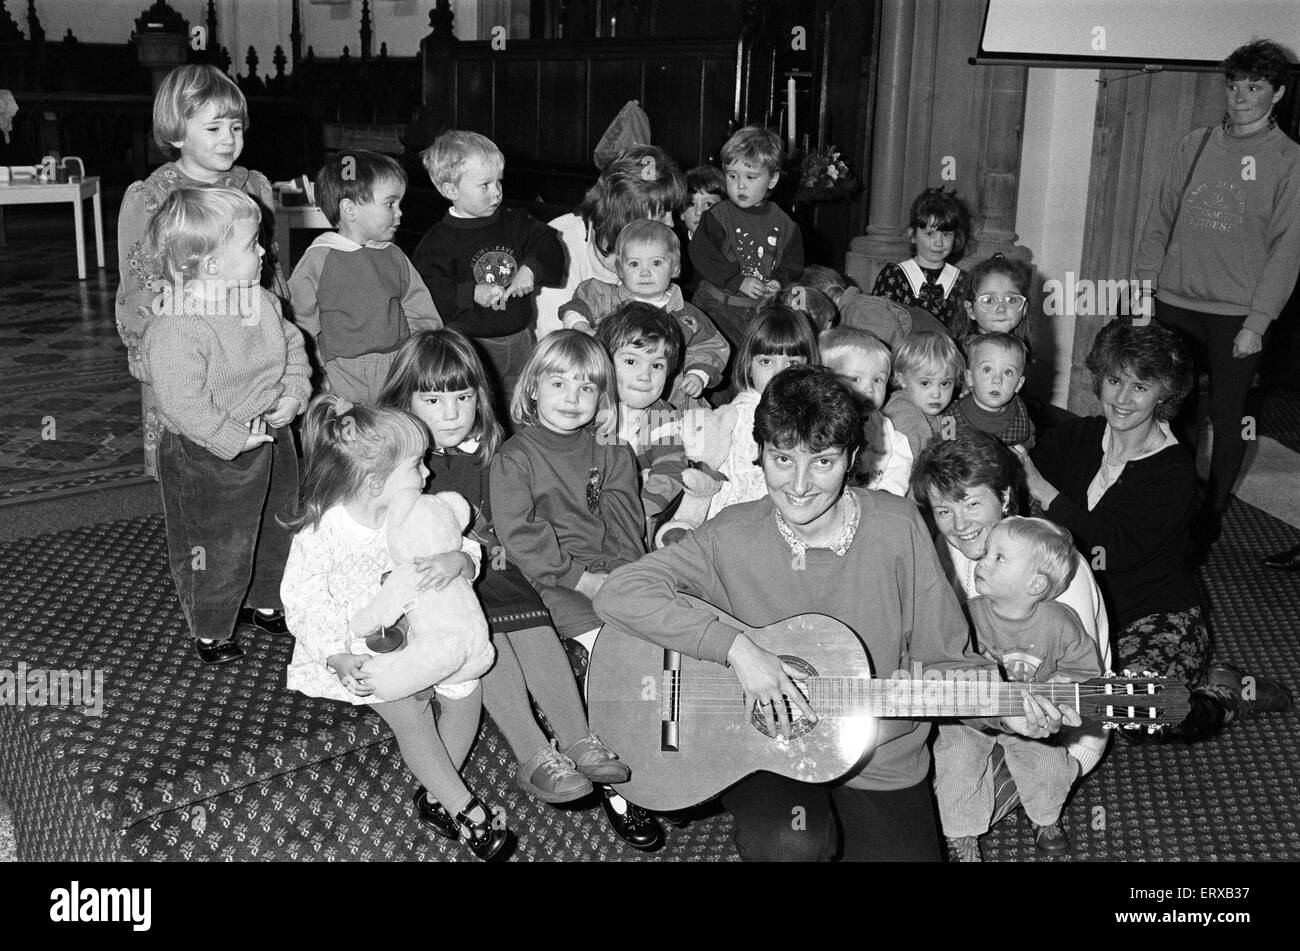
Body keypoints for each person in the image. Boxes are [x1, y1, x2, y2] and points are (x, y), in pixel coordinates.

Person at [594, 365, 1077, 862]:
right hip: (768, 757)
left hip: (880, 754)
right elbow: (621, 592)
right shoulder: (731, 532)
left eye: (822, 461)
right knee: (792, 841)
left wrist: (1007, 711)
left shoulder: (897, 527)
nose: (800, 485)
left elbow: (943, 658)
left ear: (851, 458)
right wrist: (738, 649)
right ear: (758, 454)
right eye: (782, 459)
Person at [378, 329, 633, 812]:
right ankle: (535, 754)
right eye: (433, 399)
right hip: (435, 587)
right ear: (402, 401)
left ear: (481, 396)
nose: (451, 413)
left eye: (463, 396)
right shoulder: (401, 464)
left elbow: (521, 520)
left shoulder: (494, 450)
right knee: (485, 639)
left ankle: (579, 741)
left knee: (533, 623)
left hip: (495, 568)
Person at [1019, 319, 1292, 739]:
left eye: (1140, 387)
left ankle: (1227, 694)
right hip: (1078, 611)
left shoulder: (1174, 472)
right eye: (1114, 380)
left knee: (1138, 717)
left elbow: (1110, 547)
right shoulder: (1081, 436)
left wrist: (1044, 491)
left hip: (1152, 612)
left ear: (1164, 394)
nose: (1122, 399)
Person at [279, 397, 508, 860]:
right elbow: (303, 602)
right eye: (417, 466)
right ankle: (465, 809)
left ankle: (435, 791)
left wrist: (459, 559)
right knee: (409, 712)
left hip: (422, 632)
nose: (428, 476)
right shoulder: (325, 530)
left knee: (468, 687)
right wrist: (338, 654)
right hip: (356, 648)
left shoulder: (414, 511)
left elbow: (464, 547)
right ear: (373, 481)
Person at [489, 330, 664, 849]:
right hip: (552, 584)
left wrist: (625, 581)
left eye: (586, 387)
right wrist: (583, 579)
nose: (571, 397)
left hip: (614, 575)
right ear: (532, 388)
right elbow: (522, 537)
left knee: (662, 647)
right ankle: (619, 790)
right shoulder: (515, 456)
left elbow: (626, 521)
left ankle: (666, 760)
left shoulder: (612, 448)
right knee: (604, 653)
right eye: (558, 382)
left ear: (602, 398)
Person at [1134, 39, 1300, 557]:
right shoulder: (1197, 143)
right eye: (1234, 85)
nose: (1241, 96)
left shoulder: (1290, 161)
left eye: (1254, 87)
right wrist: (1144, 289)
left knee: (1228, 418)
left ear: (1277, 93)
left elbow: (1288, 248)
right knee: (1172, 413)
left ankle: (1211, 513)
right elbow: (1160, 218)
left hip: (1235, 316)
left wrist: (1259, 320)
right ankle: (1173, 502)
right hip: (1176, 304)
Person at [911, 430, 1113, 853]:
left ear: (1004, 496)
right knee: (914, 772)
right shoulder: (938, 555)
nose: (959, 524)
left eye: (971, 503)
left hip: (1060, 727)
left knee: (942, 802)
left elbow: (1081, 685)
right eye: (944, 510)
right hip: (974, 715)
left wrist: (1029, 714)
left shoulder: (1054, 568)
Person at [141, 187, 309, 665]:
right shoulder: (178, 325)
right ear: (211, 265)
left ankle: (265, 599)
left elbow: (295, 351)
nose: (263, 251)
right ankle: (212, 626)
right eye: (253, 244)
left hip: (274, 436)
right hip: (207, 450)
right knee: (216, 540)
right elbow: (182, 400)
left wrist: (294, 396)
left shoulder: (261, 301)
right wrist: (232, 438)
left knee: (279, 523)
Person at [116, 64, 281, 480]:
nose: (229, 139)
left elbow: (269, 261)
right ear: (176, 132)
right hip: (182, 340)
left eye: (236, 127)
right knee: (189, 443)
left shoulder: (253, 186)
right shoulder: (153, 197)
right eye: (214, 129)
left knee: (249, 444)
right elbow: (139, 280)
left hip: (245, 333)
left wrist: (282, 316)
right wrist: (140, 344)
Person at [933, 517, 1102, 862]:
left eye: (999, 557)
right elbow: (949, 662)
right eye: (988, 553)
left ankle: (1046, 819)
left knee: (1048, 764)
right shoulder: (967, 614)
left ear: (1036, 584)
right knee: (956, 763)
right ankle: (962, 837)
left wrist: (1065, 681)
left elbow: (1087, 672)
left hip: (1032, 717)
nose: (983, 560)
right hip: (973, 717)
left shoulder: (1061, 622)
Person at [412, 130, 566, 404]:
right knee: (482, 412)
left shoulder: (513, 221)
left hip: (521, 339)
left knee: (524, 408)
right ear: (451, 190)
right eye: (485, 185)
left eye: (499, 181)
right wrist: (469, 294)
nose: (497, 192)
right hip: (472, 346)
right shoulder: (439, 240)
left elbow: (547, 241)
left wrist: (530, 268)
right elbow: (425, 288)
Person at [288, 150, 441, 404]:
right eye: (390, 204)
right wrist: (315, 371)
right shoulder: (318, 258)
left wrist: (423, 356)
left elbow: (419, 311)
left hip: (397, 370)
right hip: (341, 375)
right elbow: (300, 323)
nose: (400, 213)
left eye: (399, 204)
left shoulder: (395, 256)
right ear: (350, 210)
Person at [559, 219, 729, 408]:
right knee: (607, 435)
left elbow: (711, 346)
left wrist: (697, 374)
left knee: (675, 434)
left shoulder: (687, 316)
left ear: (674, 268)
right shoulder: (604, 298)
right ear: (620, 269)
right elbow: (574, 310)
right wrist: (582, 328)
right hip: (611, 398)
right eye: (634, 264)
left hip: (671, 400)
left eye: (656, 263)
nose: (645, 273)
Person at [535, 145, 687, 337]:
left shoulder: (656, 248)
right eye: (661, 213)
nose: (672, 223)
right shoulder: (559, 243)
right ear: (625, 214)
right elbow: (554, 344)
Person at [689, 126, 805, 355]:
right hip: (716, 306)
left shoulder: (785, 224)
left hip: (757, 311)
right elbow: (701, 253)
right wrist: (737, 280)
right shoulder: (718, 216)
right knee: (718, 364)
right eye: (732, 176)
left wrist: (779, 280)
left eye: (751, 177)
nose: (740, 185)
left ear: (772, 180)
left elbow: (793, 264)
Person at [704, 304, 819, 519]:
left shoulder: (798, 409)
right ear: (748, 364)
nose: (779, 374)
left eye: (792, 362)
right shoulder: (746, 416)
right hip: (744, 518)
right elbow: (751, 488)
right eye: (766, 361)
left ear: (809, 365)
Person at [593, 302, 693, 541]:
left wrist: (639, 511)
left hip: (640, 511)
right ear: (604, 362)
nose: (645, 375)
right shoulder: (590, 407)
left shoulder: (662, 417)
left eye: (657, 365)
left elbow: (671, 470)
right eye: (631, 361)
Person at [819, 326, 912, 495]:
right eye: (855, 378)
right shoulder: (820, 423)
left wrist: (890, 491)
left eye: (878, 380)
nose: (869, 389)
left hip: (873, 503)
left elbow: (899, 461)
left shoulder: (881, 424)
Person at [870, 188, 972, 330]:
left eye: (946, 234)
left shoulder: (962, 281)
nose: (938, 242)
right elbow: (878, 321)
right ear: (912, 235)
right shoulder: (894, 276)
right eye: (930, 234)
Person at [882, 331, 964, 461]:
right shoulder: (903, 411)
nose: (936, 394)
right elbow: (911, 464)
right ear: (902, 379)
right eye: (925, 383)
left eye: (945, 383)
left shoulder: (947, 417)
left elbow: (952, 453)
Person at [946, 332, 1035, 450]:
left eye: (1007, 372)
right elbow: (943, 456)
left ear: (1018, 384)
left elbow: (1028, 440)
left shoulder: (1020, 412)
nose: (997, 380)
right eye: (987, 370)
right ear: (969, 378)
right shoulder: (950, 418)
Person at [949, 252, 1034, 354]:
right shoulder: (960, 355)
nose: (1001, 309)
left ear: (1024, 308)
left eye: (1011, 300)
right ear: (971, 310)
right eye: (989, 301)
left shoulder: (1022, 349)